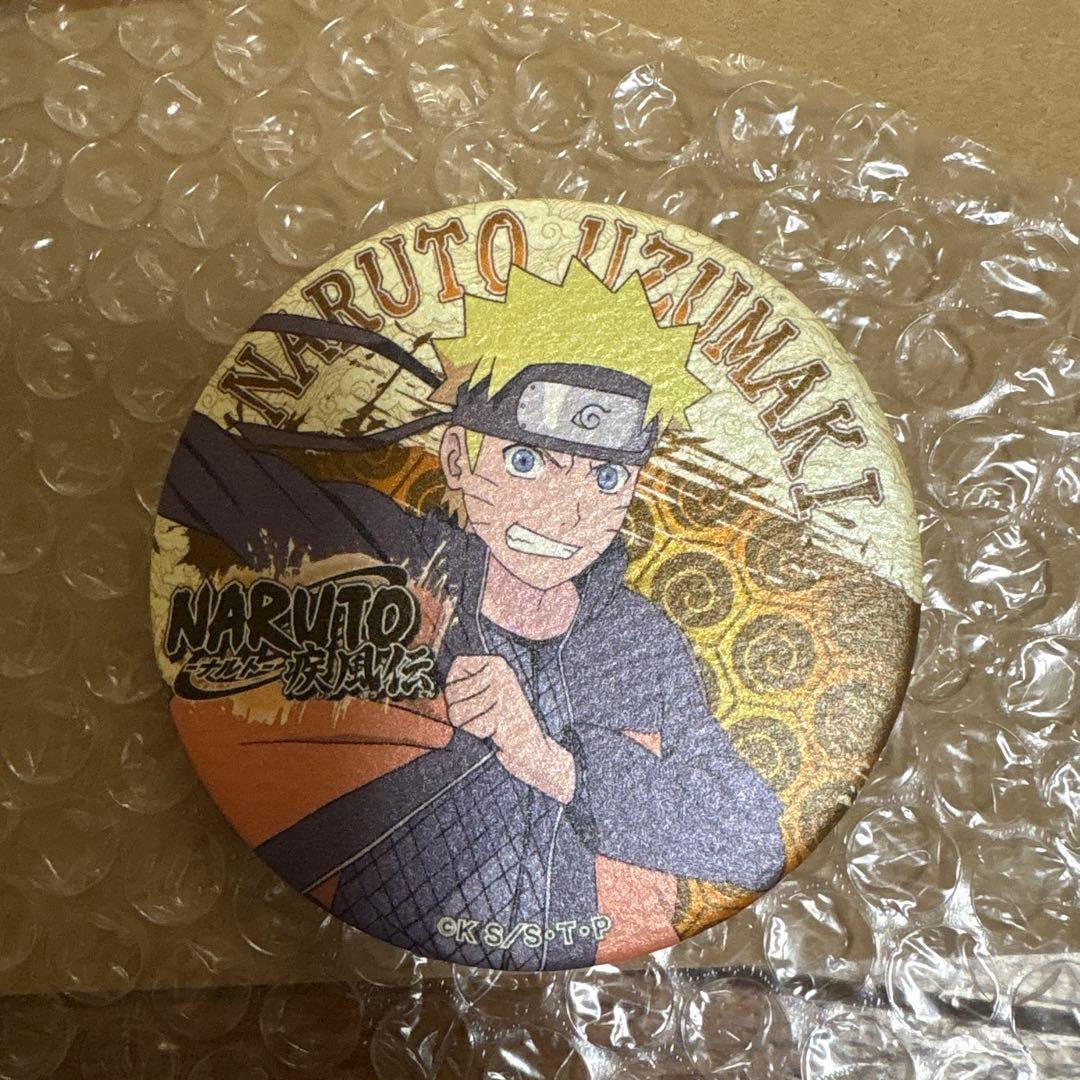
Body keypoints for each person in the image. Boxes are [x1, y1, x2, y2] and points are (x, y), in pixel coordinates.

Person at [158, 259, 784, 970]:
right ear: (457, 457)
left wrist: (551, 758)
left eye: (606, 477)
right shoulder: (393, 556)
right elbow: (208, 475)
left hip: (576, 972)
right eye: (527, 463)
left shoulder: (642, 643)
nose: (568, 512)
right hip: (346, 957)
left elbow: (754, 841)